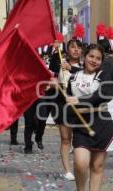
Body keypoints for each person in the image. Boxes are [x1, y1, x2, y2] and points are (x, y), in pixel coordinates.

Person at [65, 44, 113, 191]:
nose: (94, 60)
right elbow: (67, 102)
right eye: (91, 56)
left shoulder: (104, 76)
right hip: (81, 125)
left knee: (97, 166)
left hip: (102, 123)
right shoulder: (73, 77)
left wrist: (79, 100)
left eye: (98, 58)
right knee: (80, 163)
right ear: (84, 57)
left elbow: (103, 95)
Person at [49, 39, 83, 180]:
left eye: (78, 48)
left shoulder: (85, 65)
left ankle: (80, 165)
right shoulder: (60, 62)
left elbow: (86, 76)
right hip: (62, 105)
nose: (76, 50)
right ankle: (67, 170)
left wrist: (72, 68)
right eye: (72, 47)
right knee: (65, 138)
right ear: (67, 50)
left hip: (80, 105)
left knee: (79, 140)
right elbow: (52, 65)